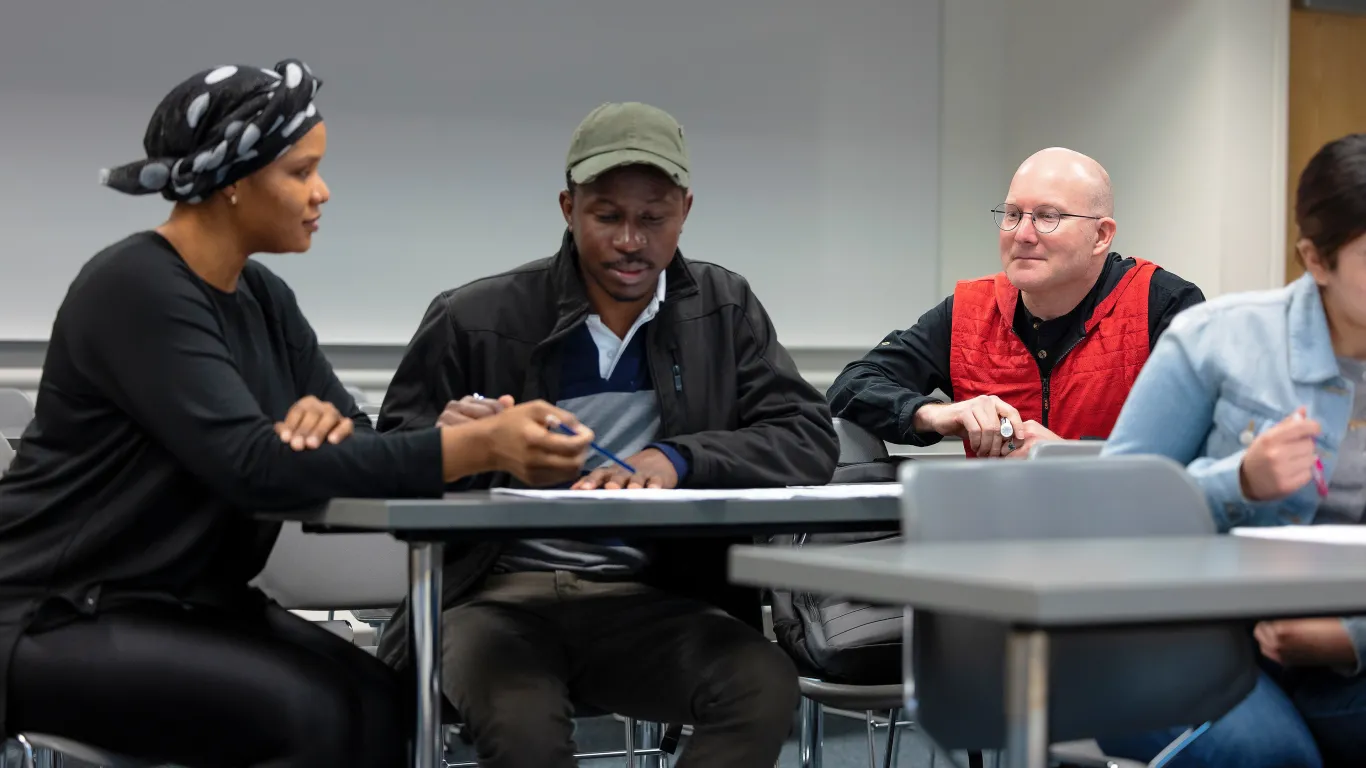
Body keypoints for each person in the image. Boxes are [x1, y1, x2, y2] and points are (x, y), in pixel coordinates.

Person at [0, 60, 595, 768]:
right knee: (307, 718)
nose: (322, 192)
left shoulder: (261, 296)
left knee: (383, 703)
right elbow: (254, 469)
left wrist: (444, 435)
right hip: (58, 614)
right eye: (300, 171)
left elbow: (354, 445)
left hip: (192, 605)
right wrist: (476, 451)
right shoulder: (137, 287)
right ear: (231, 182)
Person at [374, 101, 837, 768]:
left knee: (760, 682)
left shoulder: (721, 307)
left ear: (686, 210)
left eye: (653, 219)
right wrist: (448, 447)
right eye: (608, 216)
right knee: (524, 729)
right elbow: (386, 459)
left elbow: (806, 436)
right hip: (492, 601)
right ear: (568, 208)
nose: (630, 240)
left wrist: (679, 458)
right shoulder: (475, 315)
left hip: (648, 602)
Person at [1099, 134, 1366, 768]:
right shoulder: (1218, 340)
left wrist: (1349, 638)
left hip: (1337, 649)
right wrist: (1238, 481)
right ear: (1315, 259)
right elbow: (1109, 510)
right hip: (1183, 640)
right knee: (1272, 756)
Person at [828, 147, 1205, 457]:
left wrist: (1072, 458)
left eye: (1048, 217)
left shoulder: (1163, 306)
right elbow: (851, 387)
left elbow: (1194, 446)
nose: (1022, 234)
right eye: (1012, 215)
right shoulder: (971, 310)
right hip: (996, 535)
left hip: (1129, 537)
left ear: (1101, 236)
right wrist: (939, 414)